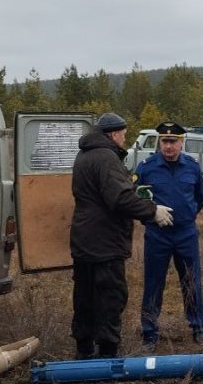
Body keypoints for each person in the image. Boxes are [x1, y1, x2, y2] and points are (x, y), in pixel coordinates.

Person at [70, 112, 172, 359]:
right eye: (124, 136)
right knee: (110, 296)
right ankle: (108, 352)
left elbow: (108, 191)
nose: (124, 140)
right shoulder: (106, 157)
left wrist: (133, 189)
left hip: (84, 238)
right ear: (114, 134)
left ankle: (83, 349)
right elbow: (119, 198)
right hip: (104, 241)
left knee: (85, 295)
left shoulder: (84, 154)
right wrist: (152, 211)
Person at [134, 121, 203, 351]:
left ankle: (198, 328)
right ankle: (149, 332)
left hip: (186, 233)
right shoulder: (146, 167)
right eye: (164, 141)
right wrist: (151, 217)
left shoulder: (193, 167)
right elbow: (138, 200)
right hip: (158, 234)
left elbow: (200, 197)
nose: (168, 146)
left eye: (173, 141)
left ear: (181, 142)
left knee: (191, 281)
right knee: (153, 283)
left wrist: (187, 217)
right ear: (159, 142)